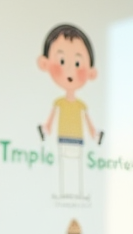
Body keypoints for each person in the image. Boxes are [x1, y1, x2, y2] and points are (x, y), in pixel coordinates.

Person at [37, 23, 101, 199]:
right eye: (62, 61)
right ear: (45, 64)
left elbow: (88, 122)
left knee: (78, 166)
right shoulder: (58, 102)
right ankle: (65, 192)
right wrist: (46, 129)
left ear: (91, 73)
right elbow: (51, 118)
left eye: (78, 63)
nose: (70, 70)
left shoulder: (81, 105)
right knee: (64, 165)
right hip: (63, 137)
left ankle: (77, 193)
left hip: (78, 139)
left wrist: (95, 134)